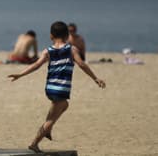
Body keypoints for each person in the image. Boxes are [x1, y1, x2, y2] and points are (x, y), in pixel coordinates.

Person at [8, 21, 106, 153]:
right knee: (51, 118)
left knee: (64, 105)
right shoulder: (72, 49)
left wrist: (20, 74)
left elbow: (36, 65)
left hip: (50, 88)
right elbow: (82, 64)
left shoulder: (48, 51)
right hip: (61, 88)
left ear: (51, 36)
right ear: (67, 35)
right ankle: (35, 143)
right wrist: (95, 78)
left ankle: (49, 128)